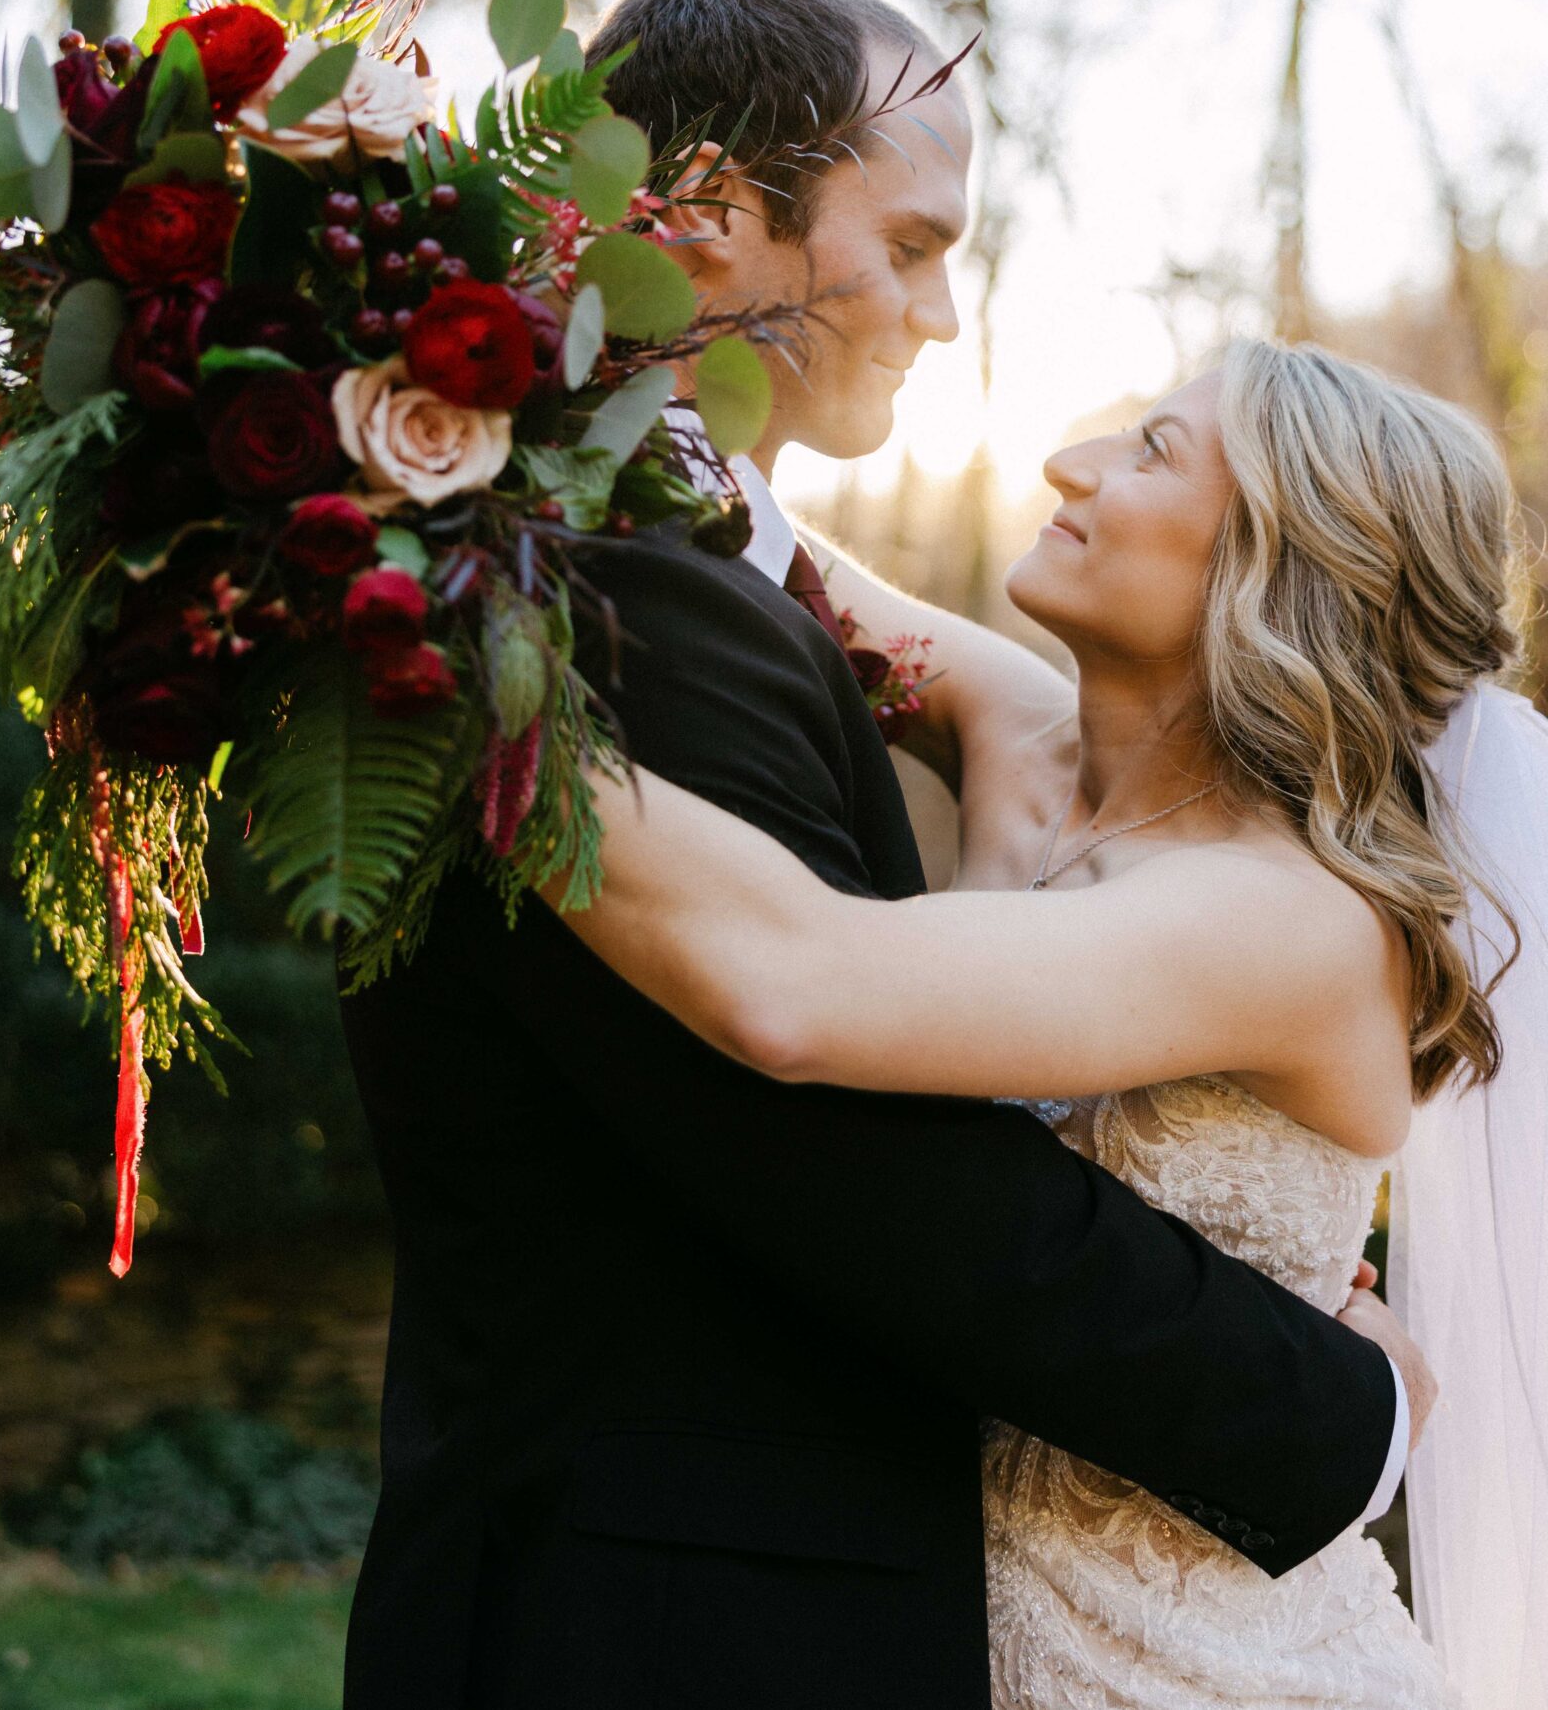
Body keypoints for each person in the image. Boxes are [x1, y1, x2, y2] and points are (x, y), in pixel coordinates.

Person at [337, 0, 1424, 1710]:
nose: (937, 313)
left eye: (1150, 449)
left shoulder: (613, 567)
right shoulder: (580, 591)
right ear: (698, 216)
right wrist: (1331, 1403)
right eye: (909, 243)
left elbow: (826, 957)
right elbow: (842, 1147)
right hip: (661, 1616)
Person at [554, 336, 1532, 1706]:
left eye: (1151, 451)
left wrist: (469, 706)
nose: (1070, 463)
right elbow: (768, 558)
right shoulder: (1023, 735)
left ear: (1275, 570)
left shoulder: (1285, 924)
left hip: (1220, 1677)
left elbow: (789, 985)